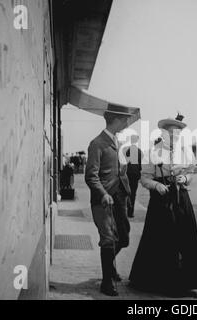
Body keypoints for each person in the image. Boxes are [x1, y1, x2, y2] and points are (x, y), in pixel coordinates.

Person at [129, 114, 197, 297]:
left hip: (181, 198)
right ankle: (157, 281)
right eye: (171, 134)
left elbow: (191, 172)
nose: (174, 137)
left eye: (178, 134)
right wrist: (156, 185)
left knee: (185, 237)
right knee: (160, 239)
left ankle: (186, 282)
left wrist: (185, 178)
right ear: (164, 133)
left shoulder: (186, 152)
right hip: (160, 200)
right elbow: (144, 178)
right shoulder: (153, 152)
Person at [85, 106, 132, 297]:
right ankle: (107, 282)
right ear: (115, 120)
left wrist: (125, 188)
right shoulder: (97, 143)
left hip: (119, 198)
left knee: (125, 237)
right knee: (108, 238)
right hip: (103, 199)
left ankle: (110, 267)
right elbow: (91, 176)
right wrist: (103, 193)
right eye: (124, 120)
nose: (127, 123)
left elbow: (119, 170)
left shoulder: (117, 142)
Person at [124, 135, 143, 218]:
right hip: (135, 174)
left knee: (127, 192)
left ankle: (127, 209)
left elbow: (125, 162)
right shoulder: (139, 151)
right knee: (133, 193)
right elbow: (140, 164)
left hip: (128, 173)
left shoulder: (128, 150)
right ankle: (130, 212)